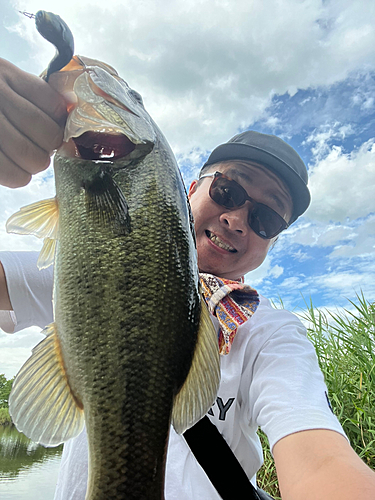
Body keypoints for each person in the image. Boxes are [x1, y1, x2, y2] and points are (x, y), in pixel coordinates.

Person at [0, 57, 375, 500]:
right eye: (228, 191)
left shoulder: (272, 334)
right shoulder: (91, 272)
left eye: (267, 218)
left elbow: (319, 456)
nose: (237, 218)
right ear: (190, 190)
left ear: (271, 242)